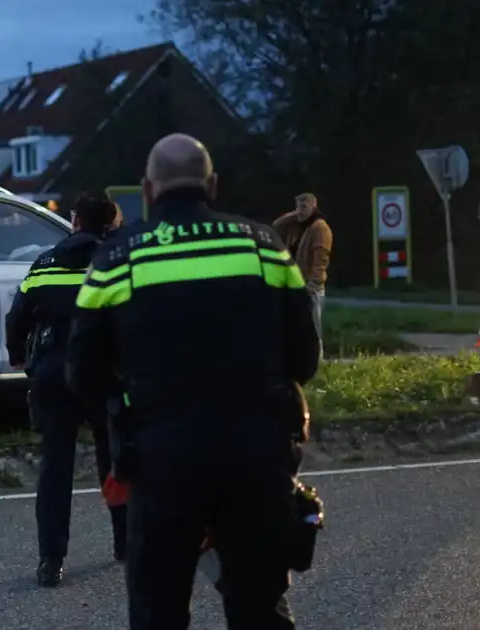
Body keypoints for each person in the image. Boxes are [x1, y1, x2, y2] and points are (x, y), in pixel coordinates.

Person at [65, 133, 320, 629]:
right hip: (256, 457)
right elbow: (304, 359)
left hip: (162, 463)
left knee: (158, 611)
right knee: (259, 610)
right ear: (214, 185)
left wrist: (126, 405)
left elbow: (82, 374)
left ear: (147, 188)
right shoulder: (264, 248)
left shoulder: (118, 258)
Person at [5, 193, 124, 587]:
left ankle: (50, 561)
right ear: (113, 223)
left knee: (56, 466)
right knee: (116, 458)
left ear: (74, 221)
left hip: (54, 374)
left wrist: (17, 356)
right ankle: (125, 544)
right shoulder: (120, 262)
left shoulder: (44, 263)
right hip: (106, 374)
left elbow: (17, 315)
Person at [273, 193, 332, 357]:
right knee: (296, 327)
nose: (300, 211)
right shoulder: (295, 225)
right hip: (296, 284)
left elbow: (321, 257)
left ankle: (319, 360)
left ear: (313, 207)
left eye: (304, 207)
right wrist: (295, 213)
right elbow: (276, 225)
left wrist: (315, 282)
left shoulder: (319, 228)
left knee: (313, 328)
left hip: (311, 286)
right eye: (298, 206)